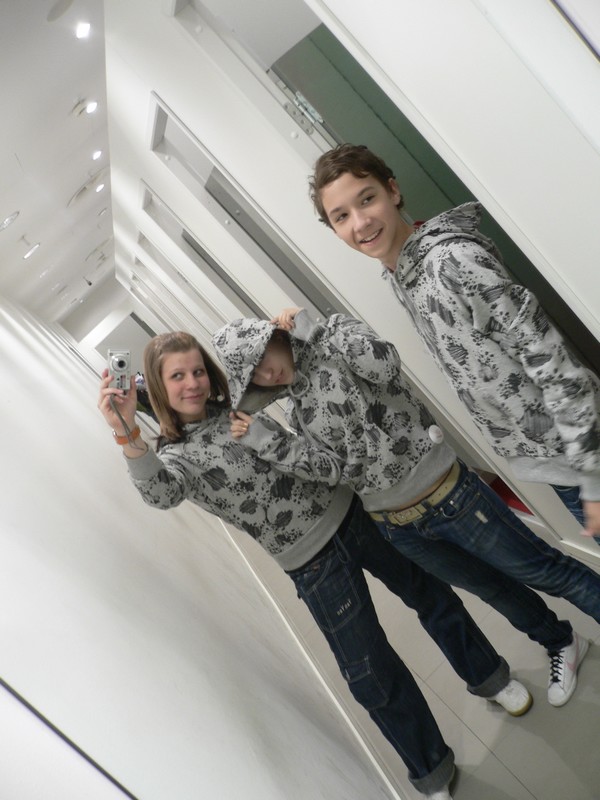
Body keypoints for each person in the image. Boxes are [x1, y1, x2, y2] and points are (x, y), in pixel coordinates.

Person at [98, 331, 528, 800]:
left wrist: (294, 328)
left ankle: (490, 678)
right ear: (159, 388)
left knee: (431, 595)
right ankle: (431, 768)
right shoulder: (174, 456)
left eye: (197, 370)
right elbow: (160, 494)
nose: (192, 383)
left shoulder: (241, 404)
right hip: (311, 566)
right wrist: (126, 433)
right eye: (177, 376)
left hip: (356, 515)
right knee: (369, 673)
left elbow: (280, 363)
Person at [212, 309, 599, 711]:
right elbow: (333, 472)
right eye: (255, 373)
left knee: (546, 570)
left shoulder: (334, 331)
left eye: (263, 356)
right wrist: (268, 442)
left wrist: (317, 331)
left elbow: (385, 364)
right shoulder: (295, 410)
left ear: (277, 337)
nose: (267, 372)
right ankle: (561, 641)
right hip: (398, 527)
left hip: (451, 496)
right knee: (495, 591)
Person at [307, 143, 600, 545]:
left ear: (392, 191)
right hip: (559, 463)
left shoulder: (453, 260)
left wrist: (592, 476)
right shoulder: (400, 275)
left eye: (367, 199)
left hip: (583, 457)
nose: (360, 223)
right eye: (341, 216)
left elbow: (550, 359)